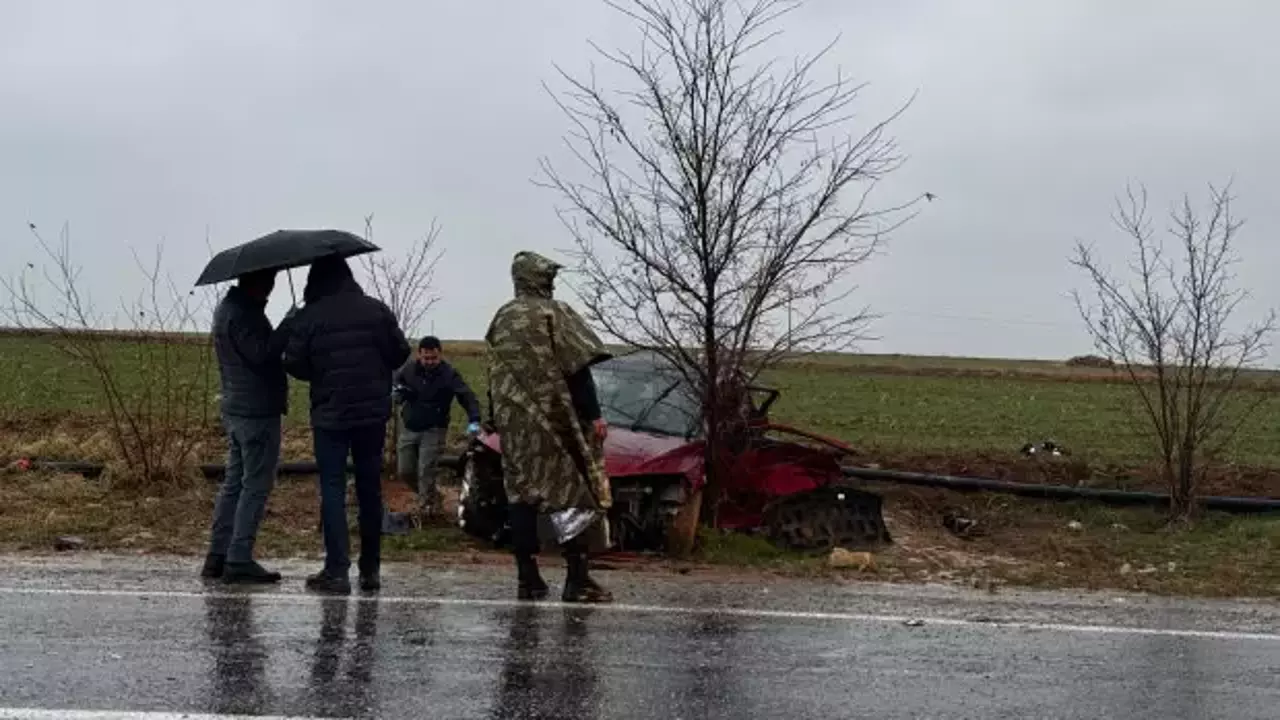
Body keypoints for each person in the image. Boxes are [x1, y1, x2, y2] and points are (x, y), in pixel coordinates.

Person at [484, 250, 614, 603]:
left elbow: (495, 372)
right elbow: (578, 368)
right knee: (572, 492)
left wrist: (493, 416)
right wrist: (594, 415)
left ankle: (528, 577)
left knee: (521, 494)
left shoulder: (502, 318)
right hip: (553, 420)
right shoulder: (554, 314)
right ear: (540, 280)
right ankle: (577, 578)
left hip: (515, 425)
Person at [283, 256, 411, 595]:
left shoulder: (310, 315)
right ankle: (370, 570)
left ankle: (337, 570)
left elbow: (293, 362)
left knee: (333, 489)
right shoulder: (376, 310)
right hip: (371, 413)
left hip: (330, 414)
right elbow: (400, 353)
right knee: (370, 488)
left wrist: (319, 371)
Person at [202, 268, 289, 584]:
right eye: (269, 285)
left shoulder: (227, 310)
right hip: (256, 411)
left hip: (236, 408)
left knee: (234, 483)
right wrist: (287, 327)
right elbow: (262, 355)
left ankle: (218, 554)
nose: (270, 291)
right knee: (255, 485)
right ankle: (239, 557)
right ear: (260, 284)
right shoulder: (245, 316)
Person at [392, 336, 482, 519]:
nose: (429, 362)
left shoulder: (449, 374)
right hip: (410, 426)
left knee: (426, 470)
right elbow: (395, 383)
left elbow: (466, 396)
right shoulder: (409, 369)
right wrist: (399, 391)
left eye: (433, 358)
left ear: (440, 355)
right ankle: (432, 495)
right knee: (405, 470)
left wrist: (474, 419)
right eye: (426, 358)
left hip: (434, 428)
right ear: (420, 355)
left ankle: (427, 511)